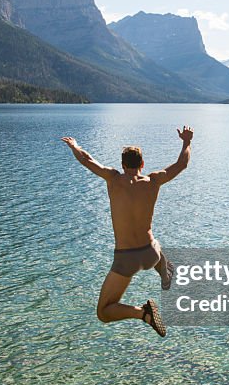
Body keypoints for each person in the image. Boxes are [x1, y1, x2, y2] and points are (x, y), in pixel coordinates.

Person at [61, 126, 194, 337]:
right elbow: (182, 164)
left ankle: (144, 313)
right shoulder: (154, 180)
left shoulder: (113, 179)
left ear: (123, 165)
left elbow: (87, 160)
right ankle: (164, 271)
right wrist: (186, 141)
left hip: (126, 260)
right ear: (142, 164)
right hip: (150, 253)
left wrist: (74, 145)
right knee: (154, 244)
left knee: (103, 312)